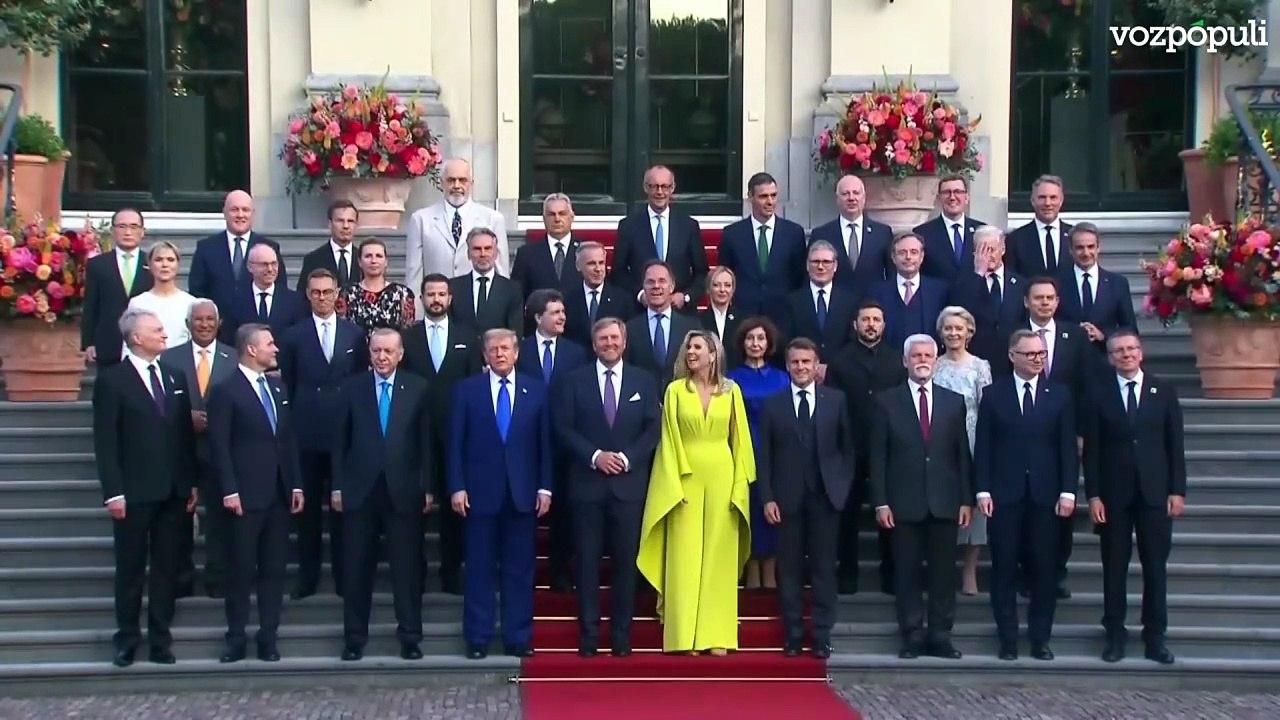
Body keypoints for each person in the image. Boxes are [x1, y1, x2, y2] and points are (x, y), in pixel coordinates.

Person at [93, 308, 199, 666]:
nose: (164, 334)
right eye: (156, 330)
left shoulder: (174, 375)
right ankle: (126, 637)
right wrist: (114, 492)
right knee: (131, 569)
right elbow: (106, 441)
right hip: (134, 493)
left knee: (167, 568)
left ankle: (160, 638)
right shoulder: (113, 380)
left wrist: (191, 483)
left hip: (173, 491)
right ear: (136, 337)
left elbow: (184, 436)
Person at [638, 329, 754, 655]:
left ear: (713, 354)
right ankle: (684, 635)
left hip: (722, 474)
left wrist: (739, 488)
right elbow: (668, 442)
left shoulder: (732, 392)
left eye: (697, 348)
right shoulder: (675, 391)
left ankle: (716, 635)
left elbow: (740, 440)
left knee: (719, 557)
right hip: (685, 477)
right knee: (685, 557)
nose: (691, 353)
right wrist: (672, 485)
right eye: (688, 348)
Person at [556, 318, 662, 657]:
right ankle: (588, 637)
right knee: (586, 565)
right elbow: (563, 428)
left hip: (628, 489)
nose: (609, 343)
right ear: (593, 342)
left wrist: (627, 459)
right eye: (603, 338)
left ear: (625, 341)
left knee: (625, 566)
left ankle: (621, 637)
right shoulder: (573, 381)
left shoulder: (643, 381)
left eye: (615, 337)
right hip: (587, 486)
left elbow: (652, 428)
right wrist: (595, 456)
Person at [1082, 330, 1185, 665]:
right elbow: (1092, 451)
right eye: (1118, 351)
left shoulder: (1163, 392)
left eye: (1131, 349)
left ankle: (1155, 635)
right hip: (1114, 495)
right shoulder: (1098, 395)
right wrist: (1093, 495)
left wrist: (1177, 490)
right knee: (1114, 568)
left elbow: (1175, 446)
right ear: (1110, 357)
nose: (1126, 355)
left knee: (1155, 567)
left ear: (1141, 353)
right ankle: (1114, 634)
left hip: (1155, 494)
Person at [448, 329, 552, 659]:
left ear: (517, 353)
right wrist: (456, 486)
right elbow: (455, 444)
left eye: (505, 348)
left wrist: (545, 486)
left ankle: (517, 636)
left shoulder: (535, 390)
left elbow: (544, 444)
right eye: (493, 349)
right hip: (479, 494)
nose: (500, 354)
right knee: (479, 568)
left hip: (522, 495)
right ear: (485, 354)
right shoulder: (467, 391)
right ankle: (477, 638)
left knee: (519, 570)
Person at [332, 329, 434, 661]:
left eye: (389, 351)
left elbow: (426, 444)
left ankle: (410, 635)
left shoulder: (417, 388)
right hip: (360, 492)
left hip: (404, 491)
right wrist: (337, 486)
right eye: (377, 351)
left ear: (400, 354)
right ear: (369, 352)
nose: (382, 357)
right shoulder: (352, 388)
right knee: (357, 568)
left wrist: (427, 486)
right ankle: (354, 637)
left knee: (406, 569)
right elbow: (339, 443)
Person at [975, 329, 1077, 662]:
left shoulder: (1059, 395)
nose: (1037, 359)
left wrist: (1068, 491)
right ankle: (1007, 638)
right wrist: (983, 489)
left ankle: (1039, 639)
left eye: (1041, 354)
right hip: (1005, 495)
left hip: (1047, 496)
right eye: (1030, 354)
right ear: (1012, 356)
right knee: (1003, 568)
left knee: (1044, 570)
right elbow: (985, 446)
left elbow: (1066, 448)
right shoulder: (993, 395)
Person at [870, 334, 972, 660]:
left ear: (936, 358)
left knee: (943, 574)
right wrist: (881, 501)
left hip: (944, 501)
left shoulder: (953, 401)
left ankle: (941, 635)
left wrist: (966, 499)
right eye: (916, 356)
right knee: (908, 573)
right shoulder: (886, 401)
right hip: (903, 502)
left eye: (928, 354)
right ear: (905, 361)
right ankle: (912, 634)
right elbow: (878, 457)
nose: (922, 360)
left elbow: (961, 456)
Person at [207, 323, 305, 663]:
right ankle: (236, 637)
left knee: (274, 569)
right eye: (270, 343)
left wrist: (295, 483)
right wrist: (229, 489)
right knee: (241, 569)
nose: (276, 349)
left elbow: (288, 439)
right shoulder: (225, 391)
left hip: (278, 494)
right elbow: (219, 445)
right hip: (244, 498)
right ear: (251, 349)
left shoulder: (279, 390)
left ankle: (268, 636)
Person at [755, 338, 854, 659]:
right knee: (790, 571)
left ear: (816, 365)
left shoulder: (836, 400)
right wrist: (767, 497)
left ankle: (822, 635)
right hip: (786, 501)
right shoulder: (773, 404)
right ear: (788, 365)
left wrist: (840, 488)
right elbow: (764, 457)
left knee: (824, 570)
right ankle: (794, 635)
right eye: (795, 362)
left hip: (826, 499)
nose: (801, 367)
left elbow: (847, 450)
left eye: (806, 362)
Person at [277, 268, 369, 599]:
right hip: (306, 432)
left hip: (344, 434)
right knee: (309, 511)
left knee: (345, 510)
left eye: (327, 292)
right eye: (315, 292)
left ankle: (346, 578)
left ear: (337, 294)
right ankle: (308, 576)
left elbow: (361, 382)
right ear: (307, 294)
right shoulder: (292, 335)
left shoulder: (354, 334)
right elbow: (287, 383)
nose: (322, 298)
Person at [399, 274, 484, 595]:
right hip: (413, 434)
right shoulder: (407, 338)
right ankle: (416, 573)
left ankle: (451, 572)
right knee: (414, 507)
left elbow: (475, 385)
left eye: (441, 294)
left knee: (453, 508)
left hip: (455, 435)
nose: (436, 299)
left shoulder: (468, 336)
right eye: (430, 294)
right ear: (421, 299)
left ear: (450, 299)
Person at [825, 301, 906, 594]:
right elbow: (833, 404)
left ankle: (891, 573)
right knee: (847, 516)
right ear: (855, 325)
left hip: (889, 449)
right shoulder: (840, 360)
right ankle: (847, 572)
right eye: (865, 319)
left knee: (889, 513)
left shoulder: (898, 361)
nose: (871, 324)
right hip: (851, 447)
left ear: (884, 325)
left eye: (876, 319)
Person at [161, 300, 237, 599]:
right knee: (179, 519)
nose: (204, 324)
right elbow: (159, 407)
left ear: (219, 324)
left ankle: (217, 579)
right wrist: (185, 418)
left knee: (219, 521)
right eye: (198, 319)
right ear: (188, 324)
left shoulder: (234, 358)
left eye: (210, 319)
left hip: (222, 454)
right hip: (182, 451)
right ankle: (181, 579)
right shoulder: (169, 359)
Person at [516, 289, 589, 592]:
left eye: (563, 312)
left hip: (563, 444)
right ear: (537, 317)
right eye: (555, 312)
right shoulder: (520, 350)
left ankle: (559, 569)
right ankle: (523, 572)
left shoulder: (576, 353)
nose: (562, 317)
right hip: (525, 443)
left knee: (563, 512)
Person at [932, 307, 993, 595]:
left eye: (959, 328)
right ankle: (943, 567)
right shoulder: (933, 364)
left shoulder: (981, 366)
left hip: (973, 438)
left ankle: (969, 570)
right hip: (938, 440)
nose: (953, 333)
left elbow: (988, 408)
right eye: (948, 328)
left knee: (975, 505)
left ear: (969, 332)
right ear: (941, 332)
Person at [726, 317, 790, 589]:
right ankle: (751, 569)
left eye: (760, 338)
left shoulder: (782, 378)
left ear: (769, 343)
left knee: (773, 509)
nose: (755, 343)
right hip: (741, 450)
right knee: (749, 509)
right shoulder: (730, 379)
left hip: (777, 451)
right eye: (750, 338)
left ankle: (772, 569)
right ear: (742, 343)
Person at [610, 165, 710, 311]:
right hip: (641, 312)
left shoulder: (689, 226)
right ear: (645, 187)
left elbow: (702, 273)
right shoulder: (628, 226)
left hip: (680, 313)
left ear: (673, 188)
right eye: (654, 186)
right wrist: (640, 295)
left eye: (665, 186)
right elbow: (618, 273)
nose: (660, 192)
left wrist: (685, 296)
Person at [406, 157, 511, 294]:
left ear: (471, 184)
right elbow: (414, 274)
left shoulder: (492, 219)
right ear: (442, 183)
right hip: (436, 304)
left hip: (477, 305)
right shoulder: (421, 220)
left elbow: (501, 271)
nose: (457, 185)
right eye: (451, 180)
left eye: (462, 180)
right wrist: (416, 312)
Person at [715, 172, 806, 326]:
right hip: (743, 317)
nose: (770, 201)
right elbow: (725, 273)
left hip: (782, 317)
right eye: (763, 196)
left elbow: (800, 278)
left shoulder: (794, 233)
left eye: (773, 195)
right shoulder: (732, 234)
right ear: (751, 197)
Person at [188, 190, 287, 315]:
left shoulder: (270, 248)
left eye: (245, 210)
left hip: (256, 326)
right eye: (234, 210)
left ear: (253, 214)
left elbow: (280, 290)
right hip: (218, 327)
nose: (240, 215)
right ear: (224, 212)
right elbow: (197, 291)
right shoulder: (206, 248)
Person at [946, 227, 1025, 377]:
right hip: (975, 359)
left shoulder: (1020, 284)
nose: (987, 256)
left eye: (991, 250)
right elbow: (963, 312)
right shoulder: (963, 284)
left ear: (1003, 249)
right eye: (982, 251)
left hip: (1011, 361)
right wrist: (979, 274)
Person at [82, 208, 153, 366]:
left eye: (134, 227)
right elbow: (90, 306)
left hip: (144, 345)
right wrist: (88, 343)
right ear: (112, 231)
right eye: (122, 226)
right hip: (107, 345)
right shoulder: (98, 265)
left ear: (142, 231)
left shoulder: (153, 263)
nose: (128, 232)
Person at [1057, 223, 1138, 353]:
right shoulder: (1057, 283)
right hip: (1068, 360)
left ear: (1098, 248)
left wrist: (1103, 335)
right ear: (1070, 250)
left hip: (1105, 360)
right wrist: (1074, 332)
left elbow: (1129, 329)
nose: (1086, 253)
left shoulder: (1118, 283)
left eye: (1090, 247)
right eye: (1079, 248)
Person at [808, 174, 894, 296]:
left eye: (856, 193)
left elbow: (892, 274)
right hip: (836, 307)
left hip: (872, 306)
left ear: (864, 197)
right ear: (837, 199)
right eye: (845, 194)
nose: (851, 198)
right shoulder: (822, 234)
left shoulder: (882, 233)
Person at [866, 232, 948, 352]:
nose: (908, 257)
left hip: (927, 364)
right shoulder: (876, 292)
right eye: (902, 253)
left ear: (922, 257)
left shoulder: (939, 291)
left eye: (914, 252)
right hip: (887, 365)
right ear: (893, 258)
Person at [624, 261, 701, 385]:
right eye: (650, 282)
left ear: (672, 286)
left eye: (662, 281)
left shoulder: (691, 327)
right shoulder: (629, 329)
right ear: (643, 287)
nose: (656, 286)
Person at [784, 240, 857, 365]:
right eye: (815, 262)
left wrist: (830, 367)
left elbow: (853, 340)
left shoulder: (850, 301)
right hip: (803, 371)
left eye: (826, 262)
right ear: (807, 265)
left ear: (835, 266)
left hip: (841, 373)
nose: (821, 267)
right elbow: (787, 341)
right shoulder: (791, 302)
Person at [220, 243, 308, 347]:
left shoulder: (294, 301)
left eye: (274, 264)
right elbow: (229, 341)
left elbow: (299, 341)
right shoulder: (234, 301)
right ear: (250, 267)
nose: (270, 269)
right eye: (264, 264)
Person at [448, 227, 524, 336]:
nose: (483, 254)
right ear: (468, 254)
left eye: (488, 248)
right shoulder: (453, 287)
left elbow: (515, 332)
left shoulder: (512, 289)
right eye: (477, 249)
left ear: (496, 253)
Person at [337, 237, 417, 337]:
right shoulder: (347, 293)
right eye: (368, 256)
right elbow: (342, 330)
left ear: (386, 261)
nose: (373, 261)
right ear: (359, 262)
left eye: (379, 256)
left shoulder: (403, 294)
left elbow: (408, 333)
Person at [915, 174, 987, 283]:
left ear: (967, 198)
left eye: (958, 191)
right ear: (939, 198)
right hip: (938, 298)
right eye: (946, 192)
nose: (952, 197)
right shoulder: (922, 233)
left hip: (974, 297)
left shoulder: (982, 230)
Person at [128, 242, 197, 349]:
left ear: (178, 265)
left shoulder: (191, 303)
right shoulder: (137, 303)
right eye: (158, 260)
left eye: (170, 260)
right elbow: (129, 344)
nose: (165, 265)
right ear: (149, 265)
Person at [564, 241, 632, 348]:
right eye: (591, 263)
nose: (598, 269)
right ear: (578, 266)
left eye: (601, 263)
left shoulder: (623, 300)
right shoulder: (567, 299)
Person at [1006, 174, 1073, 278]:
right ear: (1033, 201)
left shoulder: (1075, 236)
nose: (1047, 203)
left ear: (1061, 201)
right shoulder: (1015, 239)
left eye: (1053, 197)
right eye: (1042, 197)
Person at [296, 200, 362, 291]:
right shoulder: (313, 259)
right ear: (330, 224)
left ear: (356, 225)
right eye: (340, 221)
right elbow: (302, 295)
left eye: (350, 221)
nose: (346, 226)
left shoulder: (364, 259)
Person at [699, 266, 743, 369]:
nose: (722, 290)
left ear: (733, 289)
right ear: (708, 289)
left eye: (727, 285)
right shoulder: (698, 320)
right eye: (716, 285)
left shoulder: (743, 320)